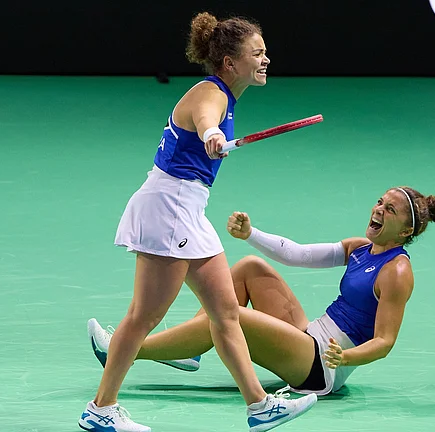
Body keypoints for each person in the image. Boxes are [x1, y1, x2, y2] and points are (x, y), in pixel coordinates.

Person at [77, 11, 319, 432]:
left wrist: (212, 137)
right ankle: (100, 409)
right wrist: (210, 134)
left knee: (225, 314)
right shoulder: (213, 93)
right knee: (142, 318)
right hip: (169, 209)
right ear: (229, 62)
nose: (265, 60)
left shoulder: (225, 95)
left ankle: (259, 405)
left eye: (266, 53)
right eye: (256, 54)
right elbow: (206, 118)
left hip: (188, 211)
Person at [88, 187, 435, 398]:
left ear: (405, 232)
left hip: (322, 366)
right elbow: (297, 254)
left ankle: (126, 348)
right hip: (309, 336)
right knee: (249, 268)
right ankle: (188, 351)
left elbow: (385, 341)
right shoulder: (361, 248)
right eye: (380, 202)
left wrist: (348, 359)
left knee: (230, 315)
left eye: (391, 210)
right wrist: (252, 235)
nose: (378, 210)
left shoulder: (397, 271)